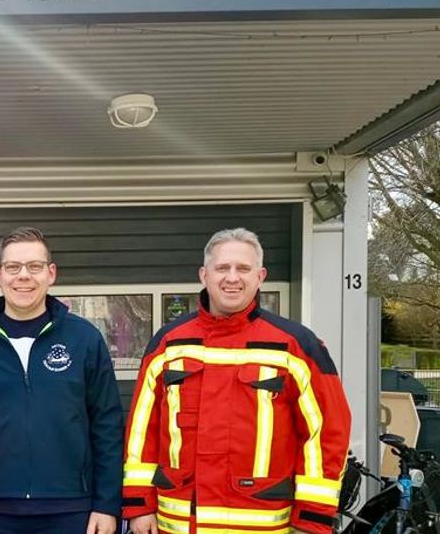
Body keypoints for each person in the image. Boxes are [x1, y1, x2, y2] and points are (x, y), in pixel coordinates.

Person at [122, 228, 351, 534]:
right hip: (177, 525)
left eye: (243, 268)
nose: (232, 278)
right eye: (222, 268)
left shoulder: (297, 346)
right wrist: (140, 506)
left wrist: (311, 521)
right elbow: (142, 432)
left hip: (264, 525)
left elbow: (326, 434)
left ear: (261, 276)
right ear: (204, 275)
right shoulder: (168, 343)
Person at [0, 226, 124, 534]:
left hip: (71, 509)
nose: (23, 276)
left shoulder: (84, 340)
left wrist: (106, 504)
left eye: (34, 266)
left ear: (51, 273)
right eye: (13, 267)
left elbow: (107, 425)